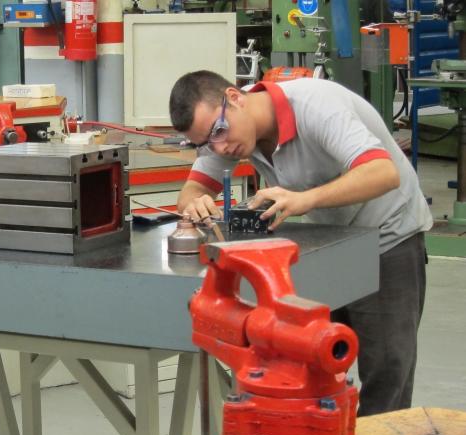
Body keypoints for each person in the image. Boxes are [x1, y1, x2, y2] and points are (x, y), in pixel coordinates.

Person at [169, 70, 432, 416]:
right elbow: (193, 190)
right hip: (332, 244)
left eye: (219, 132)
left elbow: (383, 173)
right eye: (206, 143)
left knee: (386, 372)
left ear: (235, 98)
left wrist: (303, 199)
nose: (220, 147)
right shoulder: (229, 129)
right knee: (309, 366)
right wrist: (194, 203)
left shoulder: (318, 107)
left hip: (388, 238)